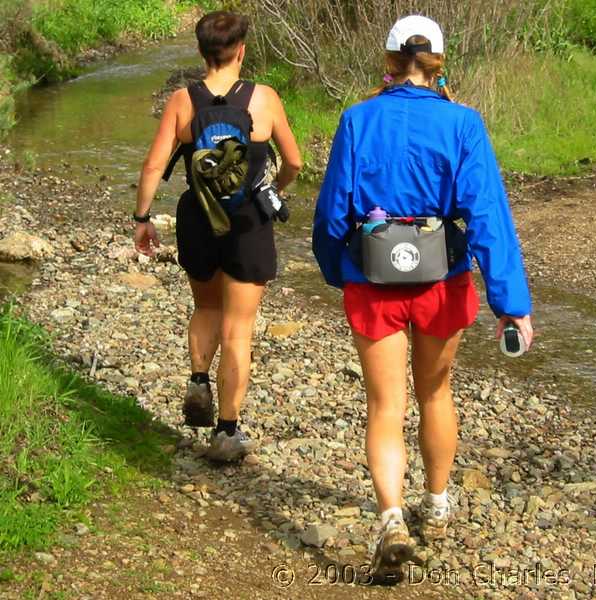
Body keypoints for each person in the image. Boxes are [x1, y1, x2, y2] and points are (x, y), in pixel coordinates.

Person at [312, 15, 533, 579]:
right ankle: (435, 503)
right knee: (435, 392)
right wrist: (511, 302)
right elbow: (486, 215)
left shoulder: (357, 119)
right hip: (442, 277)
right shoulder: (464, 123)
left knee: (385, 406)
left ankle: (390, 517)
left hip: (373, 281)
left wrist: (341, 272)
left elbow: (333, 211)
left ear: (389, 61)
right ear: (439, 64)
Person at [133, 11, 302, 460]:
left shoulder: (182, 102)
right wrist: (274, 190)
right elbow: (295, 162)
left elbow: (153, 166)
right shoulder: (264, 99)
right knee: (239, 328)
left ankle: (197, 380)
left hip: (198, 218)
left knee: (206, 305)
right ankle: (226, 432)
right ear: (241, 50)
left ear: (201, 51)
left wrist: (142, 218)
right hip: (248, 221)